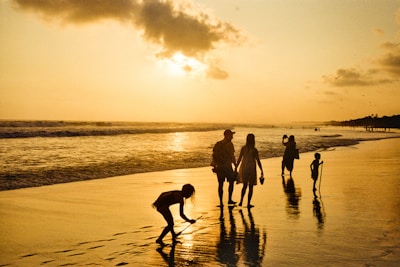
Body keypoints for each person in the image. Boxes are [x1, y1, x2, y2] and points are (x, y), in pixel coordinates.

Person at [235, 134, 264, 208]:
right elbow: (258, 160)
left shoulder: (243, 148)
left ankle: (241, 201)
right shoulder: (254, 150)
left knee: (244, 186)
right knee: (250, 187)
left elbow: (239, 158)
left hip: (244, 167)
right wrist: (261, 169)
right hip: (251, 168)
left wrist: (236, 167)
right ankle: (248, 203)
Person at [211, 129, 237, 206]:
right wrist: (235, 165)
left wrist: (214, 165)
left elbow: (214, 155)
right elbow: (232, 156)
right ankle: (229, 199)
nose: (232, 137)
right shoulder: (230, 144)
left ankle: (221, 202)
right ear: (227, 135)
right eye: (231, 135)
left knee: (220, 184)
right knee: (231, 182)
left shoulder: (218, 144)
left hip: (219, 167)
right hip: (227, 167)